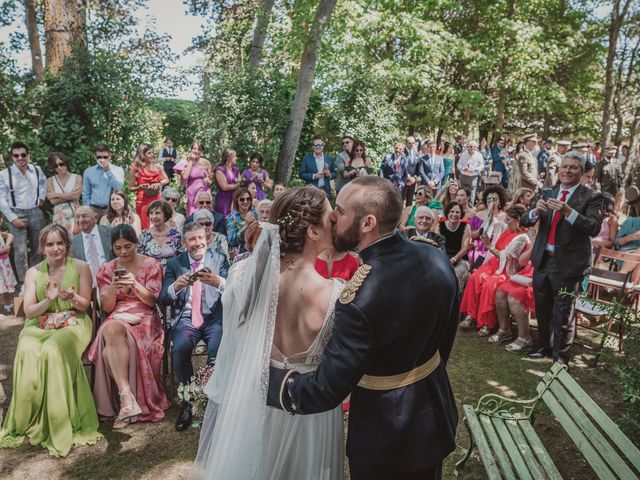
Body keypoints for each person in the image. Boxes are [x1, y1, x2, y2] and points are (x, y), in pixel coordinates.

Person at [263, 177, 459, 480]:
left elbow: (324, 390)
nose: (332, 217)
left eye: (339, 211)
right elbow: (445, 336)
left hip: (384, 433)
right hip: (433, 412)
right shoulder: (433, 255)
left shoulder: (359, 298)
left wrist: (265, 380)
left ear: (368, 223)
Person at [192, 187, 344, 478]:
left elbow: (234, 344)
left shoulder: (241, 277)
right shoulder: (336, 294)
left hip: (254, 407)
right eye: (330, 214)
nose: (335, 218)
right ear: (313, 231)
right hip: (312, 417)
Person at [0, 224, 102, 456]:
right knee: (27, 345)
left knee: (53, 349)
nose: (55, 248)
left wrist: (72, 296)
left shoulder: (81, 267)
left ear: (67, 245)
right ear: (42, 248)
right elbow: (29, 311)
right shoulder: (34, 273)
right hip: (41, 322)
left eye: (60, 243)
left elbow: (85, 305)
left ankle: (59, 418)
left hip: (75, 321)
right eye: (50, 244)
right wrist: (48, 300)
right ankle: (30, 416)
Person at [522, 151, 603, 364]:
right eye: (564, 166)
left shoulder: (591, 196)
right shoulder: (549, 191)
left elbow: (594, 228)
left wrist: (570, 212)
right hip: (543, 260)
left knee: (564, 313)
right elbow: (525, 219)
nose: (567, 171)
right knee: (542, 309)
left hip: (568, 264)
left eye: (573, 167)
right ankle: (544, 347)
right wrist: (535, 212)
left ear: (582, 171)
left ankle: (561, 357)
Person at [88, 224, 169, 428]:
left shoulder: (151, 265)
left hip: (145, 316)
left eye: (127, 246)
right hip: (118, 314)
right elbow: (107, 307)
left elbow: (151, 301)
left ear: (136, 243)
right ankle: (127, 398)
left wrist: (134, 284)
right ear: (112, 247)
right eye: (118, 248)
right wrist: (113, 290)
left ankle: (127, 400)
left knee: (109, 348)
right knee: (109, 328)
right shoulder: (106, 270)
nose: (123, 252)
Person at [161, 222, 229, 432]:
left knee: (217, 350)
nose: (197, 243)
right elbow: (163, 297)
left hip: (213, 318)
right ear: (184, 242)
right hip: (187, 319)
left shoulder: (219, 259)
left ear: (207, 239)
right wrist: (176, 286)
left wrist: (218, 282)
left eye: (200, 238)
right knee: (179, 349)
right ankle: (188, 402)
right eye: (192, 239)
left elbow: (233, 289)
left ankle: (211, 399)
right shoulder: (174, 264)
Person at [459, 205, 530, 336]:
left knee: (490, 284)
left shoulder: (523, 237)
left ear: (518, 220)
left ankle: (487, 323)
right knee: (475, 277)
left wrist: (488, 246)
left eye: (508, 219)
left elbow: (506, 256)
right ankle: (470, 315)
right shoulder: (506, 229)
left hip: (506, 269)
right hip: (492, 264)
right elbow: (492, 223)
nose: (506, 222)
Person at [0, 142, 47, 286]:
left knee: (38, 248)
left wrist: (41, 198)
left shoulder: (36, 170)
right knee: (20, 251)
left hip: (35, 212)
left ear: (28, 155)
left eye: (23, 155)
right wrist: (12, 218)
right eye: (16, 155)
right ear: (12, 157)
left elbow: (43, 183)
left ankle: (38, 280)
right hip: (16, 213)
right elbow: (1, 198)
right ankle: (24, 283)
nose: (20, 158)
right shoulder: (4, 174)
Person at [496, 262, 536, 352]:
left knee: (514, 296)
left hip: (542, 275)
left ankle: (525, 338)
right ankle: (504, 329)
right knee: (500, 291)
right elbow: (522, 261)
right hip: (526, 274)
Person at [129, 143, 169, 229]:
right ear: (142, 155)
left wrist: (159, 183)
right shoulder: (136, 168)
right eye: (149, 153)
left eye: (152, 152)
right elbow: (131, 188)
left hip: (156, 198)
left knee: (158, 224)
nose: (152, 155)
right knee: (145, 226)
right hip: (142, 200)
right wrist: (140, 187)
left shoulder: (158, 166)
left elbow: (166, 179)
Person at [71, 206, 113, 286]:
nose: (80, 220)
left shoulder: (110, 232)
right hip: (88, 285)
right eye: (77, 217)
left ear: (95, 218)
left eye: (84, 216)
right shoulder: (73, 242)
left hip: (111, 282)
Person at [82, 143, 125, 221]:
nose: (102, 159)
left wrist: (108, 171)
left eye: (105, 157)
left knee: (110, 232)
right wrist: (88, 209)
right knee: (93, 232)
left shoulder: (118, 170)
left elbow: (119, 188)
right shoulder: (88, 172)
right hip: (94, 209)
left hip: (111, 209)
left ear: (110, 156)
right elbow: (86, 193)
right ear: (95, 157)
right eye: (99, 157)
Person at [174, 140, 214, 217]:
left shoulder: (206, 162)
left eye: (199, 149)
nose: (196, 151)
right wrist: (191, 162)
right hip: (192, 193)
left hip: (204, 191)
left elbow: (211, 179)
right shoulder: (185, 162)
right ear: (191, 149)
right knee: (193, 216)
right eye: (194, 148)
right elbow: (185, 176)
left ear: (202, 151)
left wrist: (208, 180)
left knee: (206, 215)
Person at [137, 200, 183, 267]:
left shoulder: (175, 234)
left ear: (165, 214)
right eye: (151, 213)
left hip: (172, 273)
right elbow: (139, 259)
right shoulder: (144, 235)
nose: (153, 216)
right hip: (150, 274)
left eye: (157, 213)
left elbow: (181, 257)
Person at [437, 201, 472, 288]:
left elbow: (464, 249)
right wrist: (444, 260)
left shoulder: (466, 227)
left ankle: (456, 299)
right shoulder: (439, 226)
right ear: (447, 213)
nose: (454, 214)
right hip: (442, 257)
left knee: (455, 275)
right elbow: (436, 245)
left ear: (461, 214)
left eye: (457, 212)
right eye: (452, 211)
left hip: (459, 259)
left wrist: (453, 260)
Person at [46, 152, 82, 235]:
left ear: (65, 162)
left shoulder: (77, 177)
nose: (59, 167)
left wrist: (55, 195)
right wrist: (70, 195)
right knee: (61, 240)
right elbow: (53, 202)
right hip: (59, 216)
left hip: (74, 213)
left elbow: (76, 196)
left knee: (76, 240)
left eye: (61, 164)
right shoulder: (50, 180)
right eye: (55, 166)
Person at [226, 188, 257, 254]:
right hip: (239, 253)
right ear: (237, 201)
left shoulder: (256, 214)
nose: (245, 201)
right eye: (242, 199)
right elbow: (232, 241)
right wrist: (246, 225)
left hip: (256, 249)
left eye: (248, 199)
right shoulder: (231, 217)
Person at [0, 229, 16, 313]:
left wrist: (7, 245)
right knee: (2, 285)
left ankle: (8, 304)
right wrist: (6, 248)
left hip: (4, 263)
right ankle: (7, 304)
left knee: (6, 285)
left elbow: (11, 236)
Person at [403, 136, 420, 207]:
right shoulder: (402, 152)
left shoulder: (416, 153)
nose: (412, 144)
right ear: (406, 143)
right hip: (404, 180)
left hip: (413, 180)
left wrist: (415, 177)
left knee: (410, 201)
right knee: (401, 199)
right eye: (410, 143)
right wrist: (408, 177)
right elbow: (402, 166)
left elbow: (417, 167)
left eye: (413, 143)